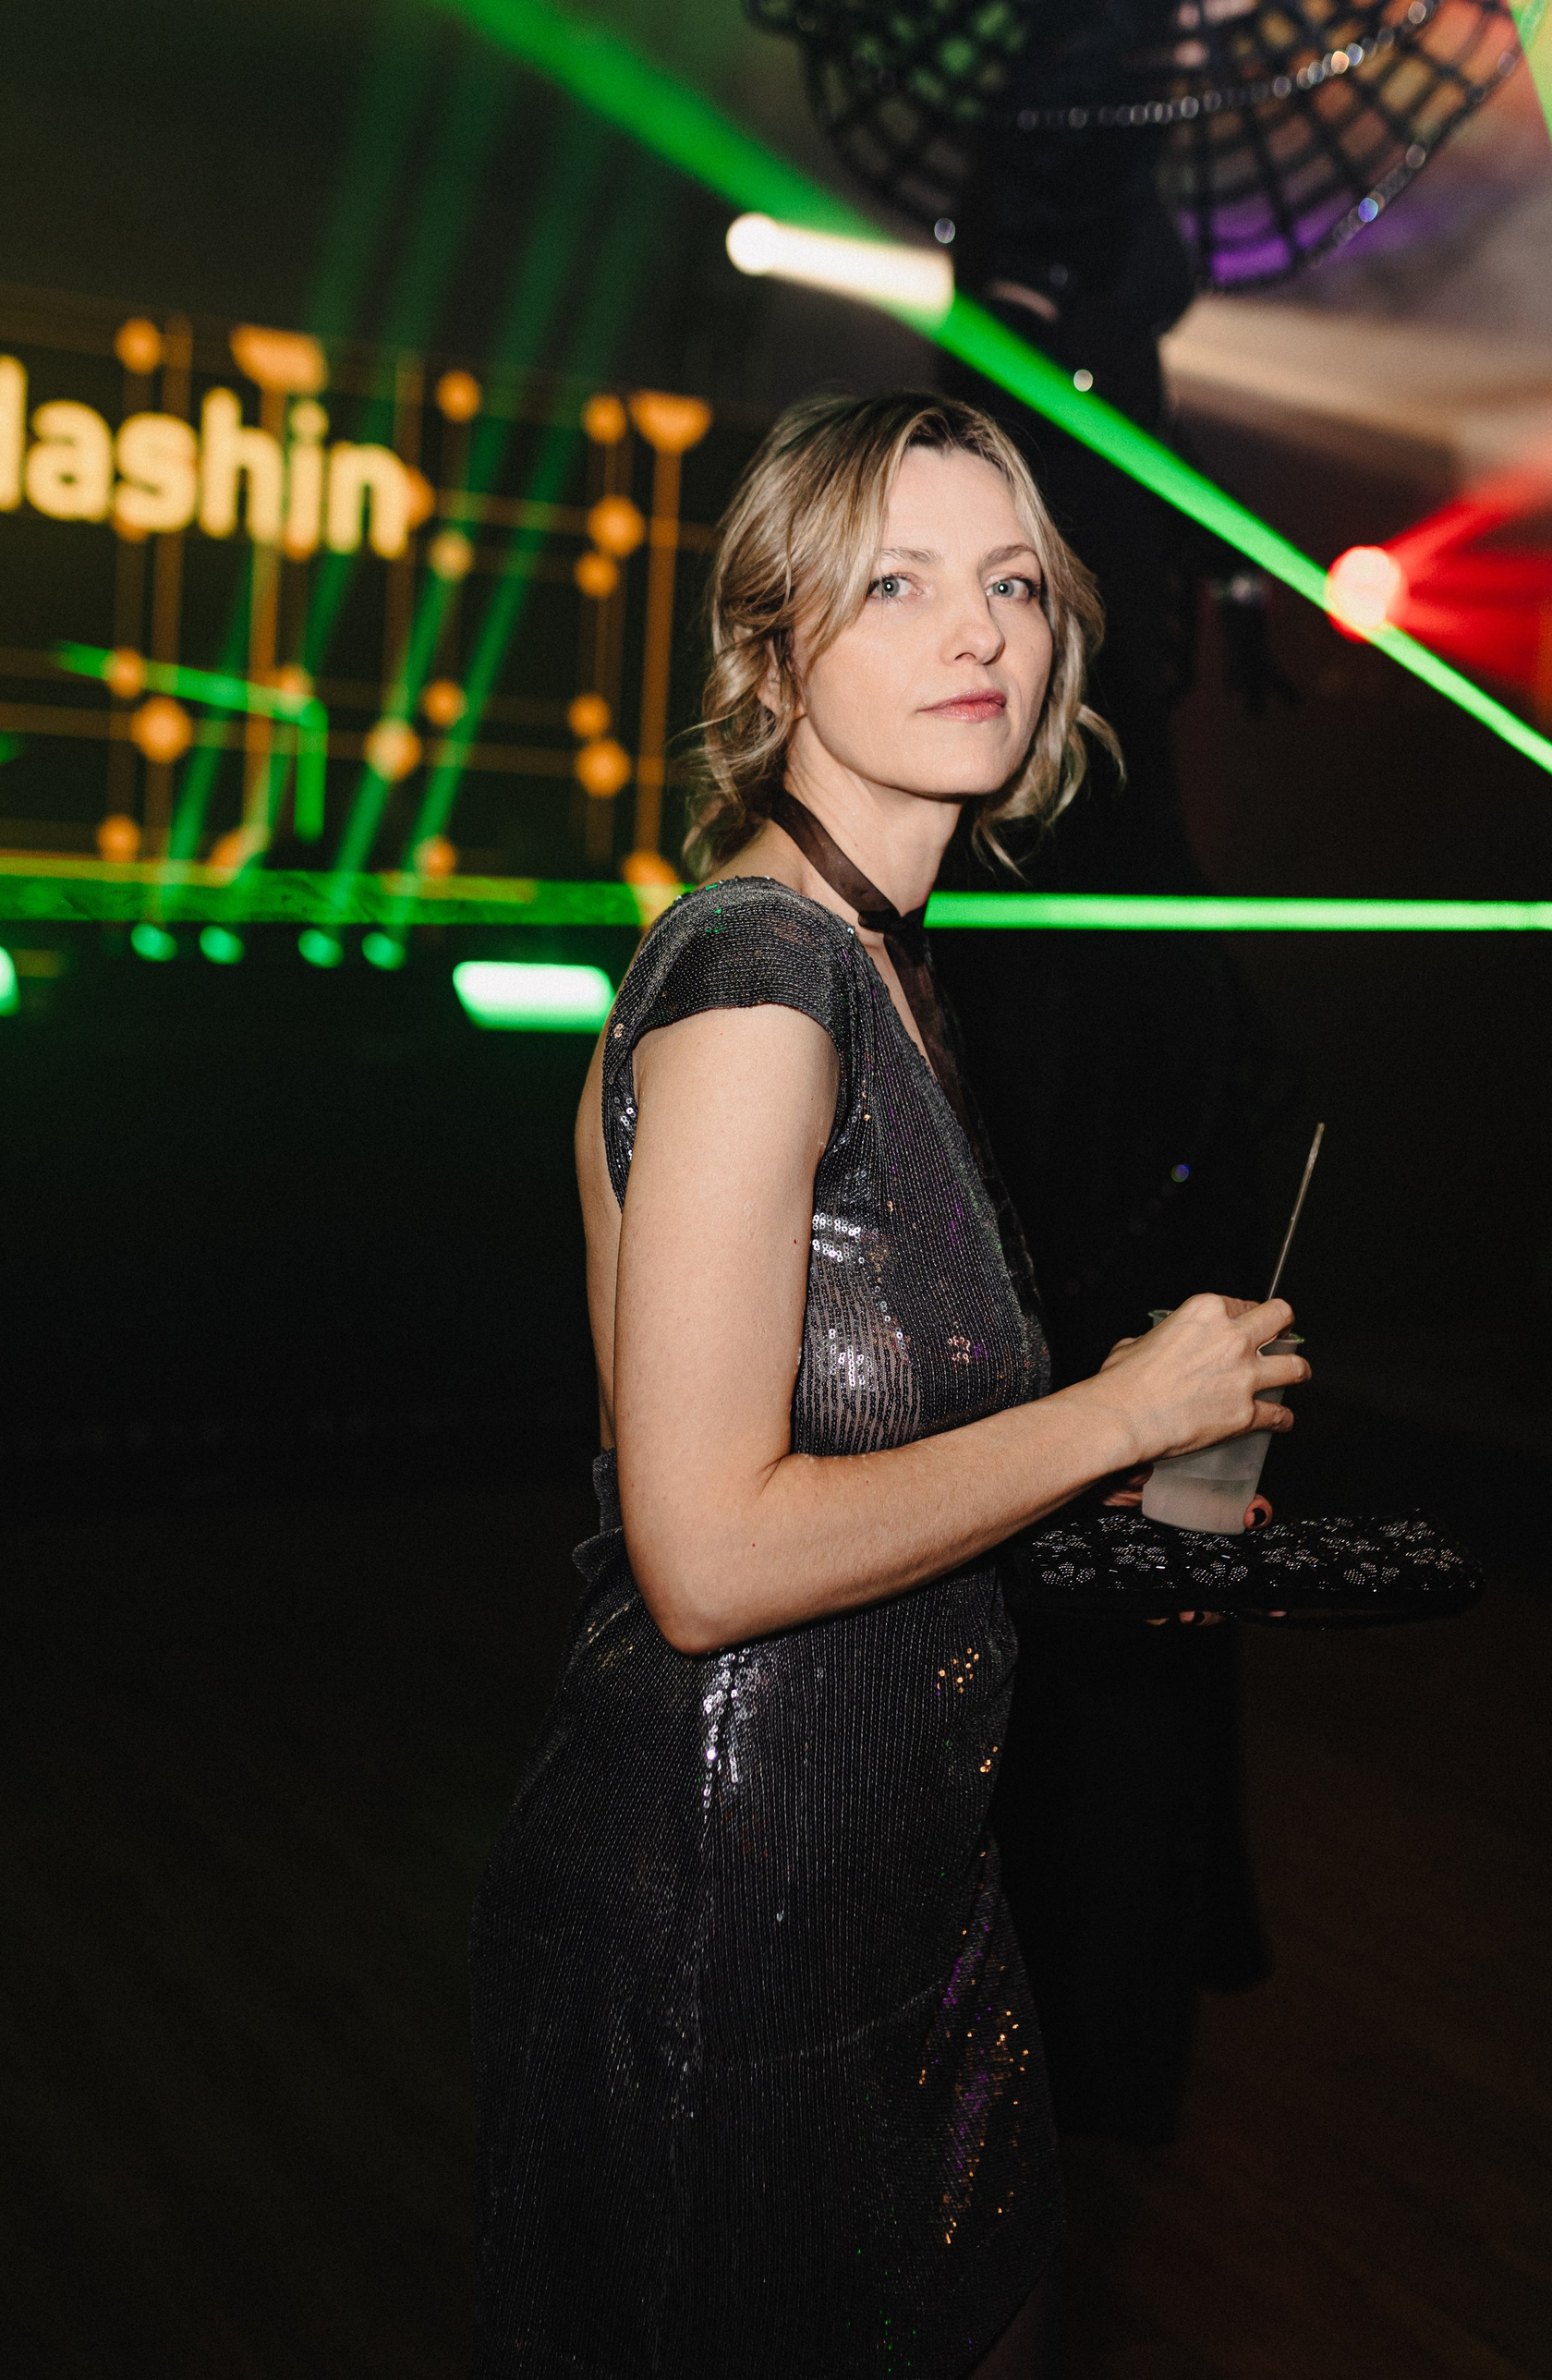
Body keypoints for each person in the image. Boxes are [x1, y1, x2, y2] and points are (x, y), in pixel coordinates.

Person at [469, 390, 1307, 2379]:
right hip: (726, 1927)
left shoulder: (885, 964)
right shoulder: (762, 983)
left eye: (1011, 582)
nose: (980, 631)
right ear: (774, 652)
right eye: (899, 584)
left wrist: (1109, 1478)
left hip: (901, 1895)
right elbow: (699, 1553)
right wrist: (1112, 1416)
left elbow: (868, 1444)